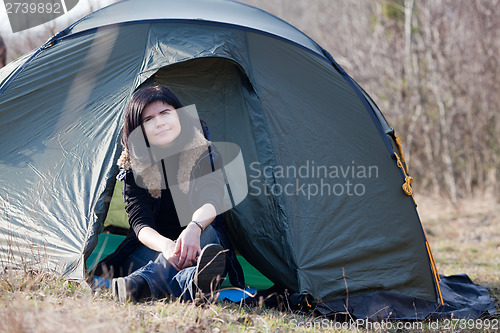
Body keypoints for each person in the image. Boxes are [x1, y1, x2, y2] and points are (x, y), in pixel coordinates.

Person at [93, 85, 243, 302]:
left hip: (198, 244)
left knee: (209, 241)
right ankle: (189, 284)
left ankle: (141, 285)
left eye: (165, 113)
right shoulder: (134, 165)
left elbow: (212, 199)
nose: (160, 122)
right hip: (153, 248)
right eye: (148, 119)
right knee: (152, 261)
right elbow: (140, 224)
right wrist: (167, 247)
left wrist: (194, 228)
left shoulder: (203, 152)